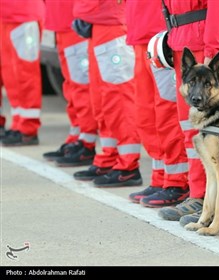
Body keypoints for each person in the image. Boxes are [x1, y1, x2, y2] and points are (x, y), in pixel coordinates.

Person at [156, 0, 219, 223]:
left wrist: (214, 52)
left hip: (205, 47)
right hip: (185, 43)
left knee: (216, 135)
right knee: (192, 130)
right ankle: (199, 195)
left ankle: (214, 202)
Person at [125, 0, 190, 207]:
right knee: (147, 114)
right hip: (141, 32)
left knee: (167, 111)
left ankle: (178, 181)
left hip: (161, 33)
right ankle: (160, 176)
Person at [71, 0, 143, 187]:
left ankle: (128, 163)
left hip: (111, 22)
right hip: (99, 21)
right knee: (103, 99)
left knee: (118, 98)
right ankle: (110, 156)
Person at [42, 0, 97, 166]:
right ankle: (77, 136)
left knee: (80, 86)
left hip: (75, 22)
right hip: (62, 21)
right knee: (71, 86)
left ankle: (86, 142)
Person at [0, 0, 45, 146]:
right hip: (7, 15)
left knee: (25, 75)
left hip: (24, 15)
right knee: (12, 76)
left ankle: (28, 128)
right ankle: (19, 124)